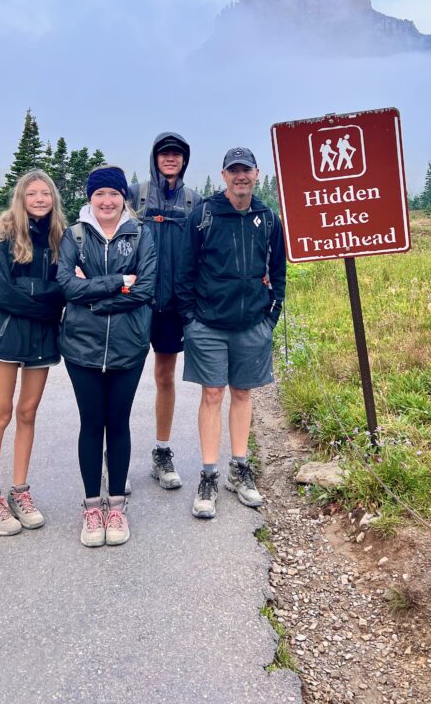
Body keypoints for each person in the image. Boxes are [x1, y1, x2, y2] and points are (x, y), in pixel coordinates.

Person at [176, 147, 286, 520]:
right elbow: (184, 270)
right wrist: (189, 318)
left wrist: (272, 316)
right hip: (207, 324)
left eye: (246, 170)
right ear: (224, 175)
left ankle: (239, 468)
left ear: (257, 174)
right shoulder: (204, 215)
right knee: (212, 394)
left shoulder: (268, 218)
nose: (240, 177)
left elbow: (278, 271)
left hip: (252, 324)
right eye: (233, 170)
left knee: (242, 392)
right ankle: (209, 474)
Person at [57, 166, 156, 547]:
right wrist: (117, 283)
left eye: (114, 194)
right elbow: (66, 285)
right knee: (90, 423)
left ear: (124, 198)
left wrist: (93, 296)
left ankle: (115, 505)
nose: (107, 201)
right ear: (90, 198)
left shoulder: (140, 234)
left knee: (118, 424)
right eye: (99, 194)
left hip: (128, 346)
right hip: (81, 348)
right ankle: (90, 506)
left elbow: (146, 288)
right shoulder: (75, 236)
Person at [0, 170, 66, 536]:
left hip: (41, 338)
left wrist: (37, 294)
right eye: (33, 194)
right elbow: (0, 292)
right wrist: (43, 301)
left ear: (53, 199)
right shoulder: (5, 237)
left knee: (28, 412)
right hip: (5, 335)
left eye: (46, 194)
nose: (40, 199)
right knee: (1, 412)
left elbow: (62, 290)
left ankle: (19, 492)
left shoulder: (59, 238)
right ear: (21, 199)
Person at [128, 132, 202, 490]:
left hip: (172, 306)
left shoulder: (193, 201)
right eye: (164, 153)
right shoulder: (135, 195)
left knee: (164, 378)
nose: (170, 158)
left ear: (184, 160)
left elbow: (207, 252)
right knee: (121, 379)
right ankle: (115, 456)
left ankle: (161, 451)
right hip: (137, 303)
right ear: (155, 158)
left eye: (176, 154)